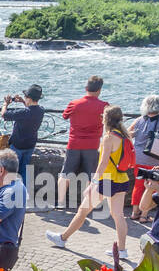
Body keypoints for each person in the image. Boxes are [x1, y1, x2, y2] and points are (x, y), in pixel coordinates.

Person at [47, 105, 134, 260]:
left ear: (106, 119)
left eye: (102, 117)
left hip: (106, 180)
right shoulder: (124, 136)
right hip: (121, 179)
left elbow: (103, 163)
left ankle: (63, 238)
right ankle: (122, 250)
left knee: (83, 211)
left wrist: (93, 183)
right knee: (119, 216)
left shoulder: (108, 137)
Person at [58, 76, 108, 209]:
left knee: (65, 174)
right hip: (92, 145)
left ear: (86, 88)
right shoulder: (104, 106)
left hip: (74, 143)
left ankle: (61, 202)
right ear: (99, 90)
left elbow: (64, 116)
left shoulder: (74, 103)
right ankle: (87, 203)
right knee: (91, 175)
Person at [1, 84, 44, 186]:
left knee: (12, 171)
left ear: (28, 98)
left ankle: (11, 192)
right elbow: (31, 110)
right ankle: (23, 193)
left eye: (25, 97)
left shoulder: (23, 112)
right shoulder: (41, 110)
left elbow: (4, 114)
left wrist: (5, 104)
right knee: (24, 170)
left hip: (17, 145)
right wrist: (23, 102)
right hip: (30, 145)